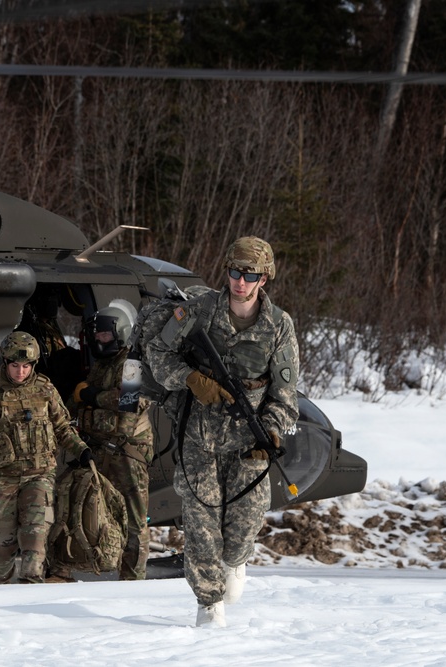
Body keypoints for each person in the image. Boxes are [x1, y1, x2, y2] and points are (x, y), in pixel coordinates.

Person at [142, 236, 299, 628]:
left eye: (249, 275)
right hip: (199, 433)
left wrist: (273, 432)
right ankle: (208, 603)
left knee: (244, 521)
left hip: (249, 436)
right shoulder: (197, 313)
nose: (240, 282)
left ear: (265, 279)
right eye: (234, 272)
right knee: (200, 518)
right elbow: (158, 356)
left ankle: (236, 561)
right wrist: (192, 378)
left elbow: (285, 393)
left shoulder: (279, 326)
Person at [0, 331, 93, 584]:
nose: (20, 372)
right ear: (6, 364)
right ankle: (2, 591)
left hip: (39, 475)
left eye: (25, 366)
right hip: (2, 479)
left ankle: (31, 590)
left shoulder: (45, 390)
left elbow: (62, 428)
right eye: (15, 366)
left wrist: (82, 450)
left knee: (35, 537)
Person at [69, 303, 154, 580]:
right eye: (98, 335)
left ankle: (133, 578)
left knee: (133, 520)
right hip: (101, 450)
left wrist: (92, 396)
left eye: (105, 335)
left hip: (127, 454)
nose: (99, 339)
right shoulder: (102, 365)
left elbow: (130, 400)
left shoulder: (132, 364)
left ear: (120, 333)